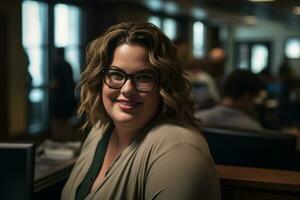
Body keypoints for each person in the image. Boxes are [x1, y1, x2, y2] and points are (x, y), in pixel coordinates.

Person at [62, 22, 220, 200]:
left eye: (144, 77)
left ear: (164, 86)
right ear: (100, 79)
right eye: (116, 74)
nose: (127, 89)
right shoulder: (100, 130)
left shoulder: (180, 149)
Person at [195, 69, 264, 131]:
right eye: (255, 97)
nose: (254, 103)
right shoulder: (254, 129)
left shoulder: (197, 119)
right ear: (247, 96)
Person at [49, 47, 77, 140]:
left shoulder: (58, 66)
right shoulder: (68, 65)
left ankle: (58, 145)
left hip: (59, 100)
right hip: (69, 99)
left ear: (56, 54)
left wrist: (48, 87)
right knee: (66, 123)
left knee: (57, 124)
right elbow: (73, 82)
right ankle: (68, 145)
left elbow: (55, 84)